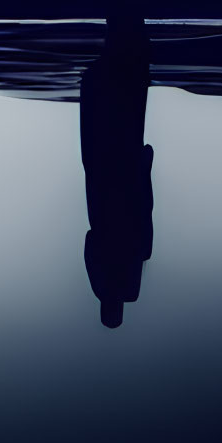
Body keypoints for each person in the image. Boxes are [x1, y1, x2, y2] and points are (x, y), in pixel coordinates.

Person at [77, 20, 153, 328]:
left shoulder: (133, 266)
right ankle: (123, 41)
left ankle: (127, 41)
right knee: (110, 129)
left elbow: (146, 217)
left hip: (122, 189)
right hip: (106, 194)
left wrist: (146, 172)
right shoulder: (109, 277)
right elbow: (90, 241)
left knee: (125, 123)